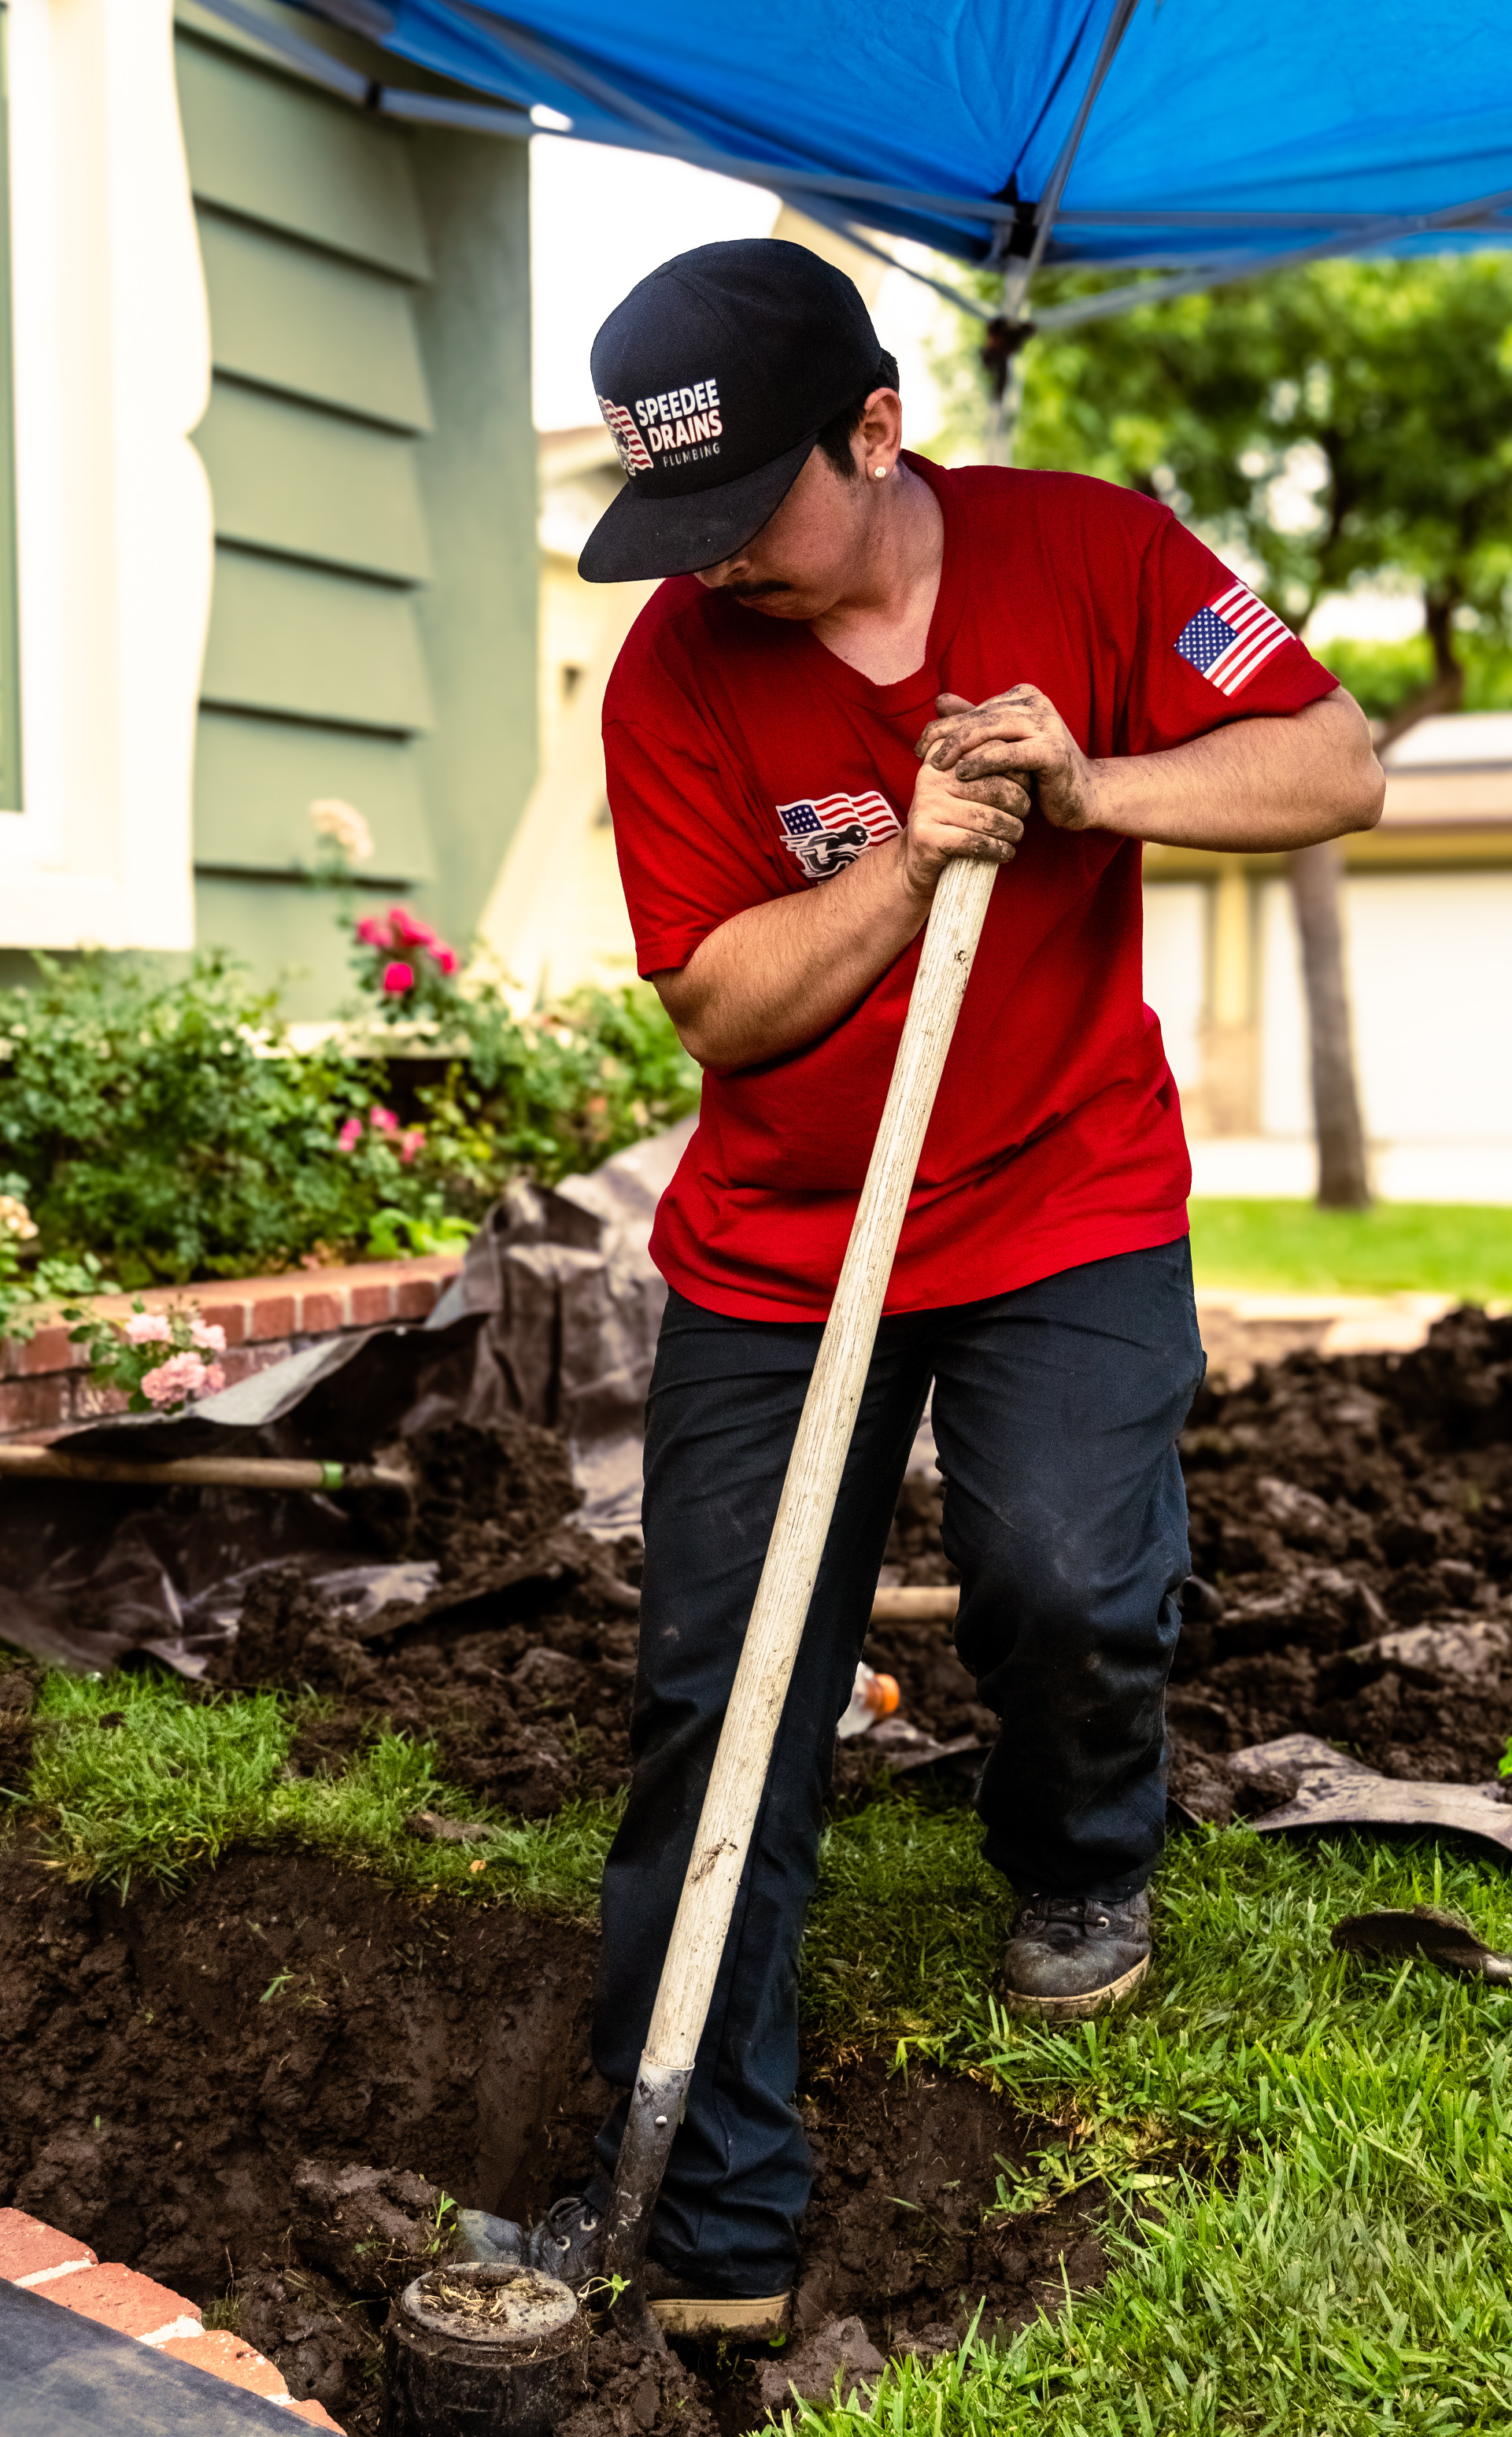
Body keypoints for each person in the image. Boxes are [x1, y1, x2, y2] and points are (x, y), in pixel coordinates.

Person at [460, 238, 1383, 2330]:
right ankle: (709, 2218)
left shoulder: (1096, 554)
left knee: (1068, 1572)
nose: (705, 568)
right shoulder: (679, 673)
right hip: (784, 1250)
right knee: (727, 1686)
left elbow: (1334, 765)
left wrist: (1085, 793)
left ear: (875, 431)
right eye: (667, 522)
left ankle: (1077, 1850)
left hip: (1065, 1195)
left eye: (740, 511)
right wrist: (910, 856)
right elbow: (721, 1000)